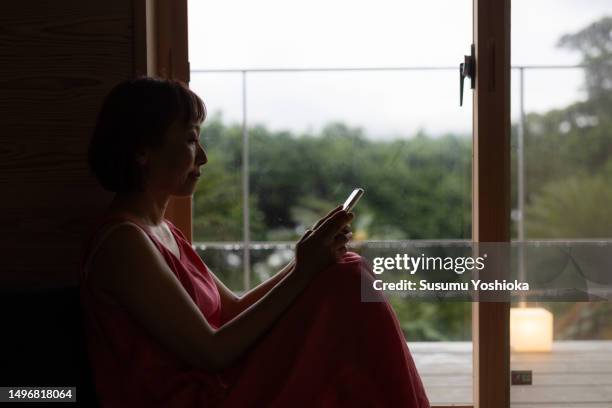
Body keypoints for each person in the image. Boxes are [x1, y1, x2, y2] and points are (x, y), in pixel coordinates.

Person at [79, 77, 430, 407]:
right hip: (195, 398)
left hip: (218, 381)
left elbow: (231, 309)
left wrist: (305, 261)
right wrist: (305, 271)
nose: (202, 156)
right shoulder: (123, 244)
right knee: (348, 282)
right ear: (143, 151)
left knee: (343, 272)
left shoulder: (164, 230)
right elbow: (211, 352)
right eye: (189, 139)